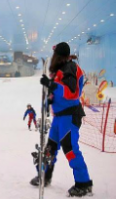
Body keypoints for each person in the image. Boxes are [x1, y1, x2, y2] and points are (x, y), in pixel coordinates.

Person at [30, 42, 92, 197]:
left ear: (60, 55)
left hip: (69, 116)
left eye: (55, 54)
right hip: (59, 117)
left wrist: (52, 85)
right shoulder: (60, 70)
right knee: (50, 148)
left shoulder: (70, 68)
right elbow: (55, 92)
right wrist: (48, 101)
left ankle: (83, 184)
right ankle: (45, 175)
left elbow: (72, 93)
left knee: (70, 149)